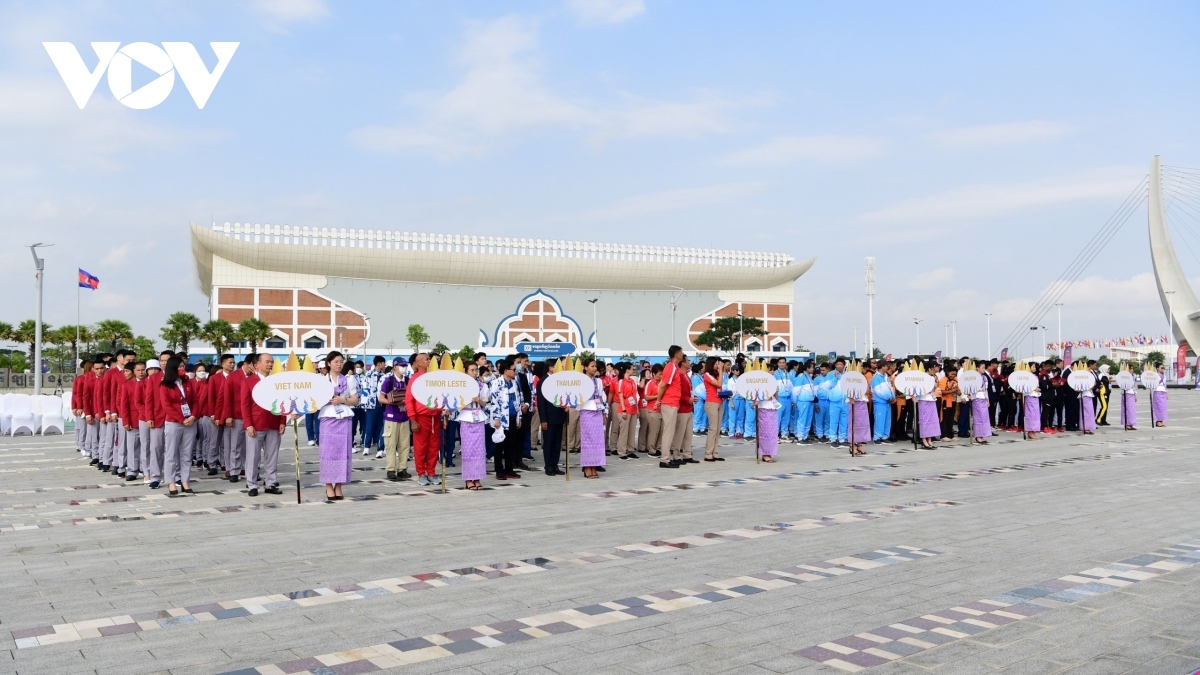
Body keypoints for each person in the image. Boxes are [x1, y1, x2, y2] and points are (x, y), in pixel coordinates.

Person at [240, 352, 286, 497]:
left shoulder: (276, 381)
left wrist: (282, 421)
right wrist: (248, 424)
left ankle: (270, 483)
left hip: (273, 423)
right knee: (253, 456)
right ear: (257, 364)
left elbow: (282, 402)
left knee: (272, 455)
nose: (270, 364)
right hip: (255, 424)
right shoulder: (248, 381)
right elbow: (245, 405)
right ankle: (252, 484)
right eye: (267, 362)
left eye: (271, 362)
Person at [318, 351, 360, 499]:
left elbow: (355, 400)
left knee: (343, 452)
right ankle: (328, 485)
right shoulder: (321, 380)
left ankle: (339, 485)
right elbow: (314, 401)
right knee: (328, 453)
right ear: (329, 363)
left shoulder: (349, 380)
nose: (339, 364)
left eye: (341, 361)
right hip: (328, 417)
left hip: (344, 417)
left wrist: (343, 400)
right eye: (336, 361)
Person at [156, 355, 196, 496]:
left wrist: (193, 416)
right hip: (174, 422)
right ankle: (171, 482)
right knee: (171, 453)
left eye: (183, 366)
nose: (182, 368)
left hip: (190, 421)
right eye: (179, 366)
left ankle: (185, 481)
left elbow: (195, 401)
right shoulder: (165, 385)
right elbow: (166, 406)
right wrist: (180, 419)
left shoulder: (188, 382)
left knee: (187, 454)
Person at [405, 353, 443, 486]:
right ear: (419, 363)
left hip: (436, 417)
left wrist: (444, 409)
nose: (429, 361)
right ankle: (421, 474)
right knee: (420, 448)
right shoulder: (415, 379)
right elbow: (409, 401)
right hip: (421, 418)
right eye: (427, 359)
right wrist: (413, 420)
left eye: (429, 359)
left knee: (434, 448)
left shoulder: (435, 378)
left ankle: (431, 473)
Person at [487, 358, 524, 480]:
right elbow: (494, 402)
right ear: (506, 370)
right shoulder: (496, 383)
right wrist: (496, 418)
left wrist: (519, 417)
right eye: (513, 369)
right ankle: (499, 470)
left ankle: (509, 469)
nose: (515, 371)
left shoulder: (514, 382)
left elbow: (518, 399)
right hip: (502, 420)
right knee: (500, 446)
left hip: (513, 418)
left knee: (510, 446)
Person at [455, 362, 490, 490]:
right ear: (466, 371)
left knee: (479, 450)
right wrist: (467, 400)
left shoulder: (482, 386)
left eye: (476, 370)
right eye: (472, 370)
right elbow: (456, 404)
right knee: (468, 450)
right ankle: (468, 479)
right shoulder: (460, 386)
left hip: (479, 418)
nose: (474, 373)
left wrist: (478, 400)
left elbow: (486, 403)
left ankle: (477, 477)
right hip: (466, 418)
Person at [378, 357, 412, 481]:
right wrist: (392, 402)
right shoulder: (388, 381)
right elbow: (381, 398)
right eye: (401, 365)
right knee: (391, 445)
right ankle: (391, 470)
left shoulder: (408, 381)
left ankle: (402, 469)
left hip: (404, 416)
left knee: (404, 444)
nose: (404, 367)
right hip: (391, 416)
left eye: (405, 365)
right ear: (395, 367)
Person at [222, 357, 252, 484]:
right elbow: (227, 397)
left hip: (251, 417)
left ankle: (249, 469)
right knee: (235, 445)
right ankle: (234, 470)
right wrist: (228, 415)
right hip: (237, 416)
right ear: (246, 364)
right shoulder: (233, 376)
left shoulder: (255, 377)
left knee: (250, 446)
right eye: (252, 364)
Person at [577, 358, 607, 479]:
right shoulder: (580, 381)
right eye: (592, 366)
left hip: (597, 412)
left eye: (595, 366)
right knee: (588, 441)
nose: (594, 368)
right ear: (585, 367)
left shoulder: (598, 381)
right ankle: (587, 467)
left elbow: (600, 396)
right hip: (586, 411)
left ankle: (594, 466)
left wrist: (604, 412)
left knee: (597, 441)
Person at [537, 358, 566, 476]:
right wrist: (543, 419)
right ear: (551, 368)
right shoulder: (543, 381)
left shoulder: (559, 380)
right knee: (549, 443)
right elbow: (541, 402)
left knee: (557, 443)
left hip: (559, 415)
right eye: (557, 366)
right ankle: (548, 466)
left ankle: (555, 465)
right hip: (548, 417)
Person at [657, 346, 684, 469]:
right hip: (669, 403)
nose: (683, 354)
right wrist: (658, 399)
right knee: (668, 432)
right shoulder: (671, 367)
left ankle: (667, 457)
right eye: (681, 352)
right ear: (677, 354)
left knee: (670, 431)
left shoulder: (675, 367)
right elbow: (662, 385)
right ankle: (664, 459)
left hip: (673, 403)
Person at [116, 361, 142, 479]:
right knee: (132, 447)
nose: (141, 373)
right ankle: (132, 470)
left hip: (149, 420)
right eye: (138, 370)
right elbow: (123, 405)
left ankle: (145, 469)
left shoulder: (149, 383)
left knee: (148, 447)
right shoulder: (127, 386)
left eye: (143, 370)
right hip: (133, 420)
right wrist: (125, 421)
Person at [360, 356, 387, 458]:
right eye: (383, 363)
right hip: (371, 405)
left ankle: (380, 448)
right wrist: (365, 405)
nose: (384, 365)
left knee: (381, 427)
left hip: (382, 405)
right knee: (369, 426)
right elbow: (365, 391)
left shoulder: (385, 376)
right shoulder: (368, 375)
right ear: (379, 364)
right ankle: (366, 447)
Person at [615, 363, 640, 460]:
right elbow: (620, 395)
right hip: (625, 409)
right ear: (627, 370)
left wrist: (637, 409)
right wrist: (623, 409)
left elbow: (635, 396)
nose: (633, 370)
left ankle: (630, 450)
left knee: (631, 431)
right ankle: (622, 452)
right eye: (631, 369)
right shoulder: (621, 381)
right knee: (624, 432)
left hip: (633, 409)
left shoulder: (632, 381)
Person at [702, 357, 724, 460]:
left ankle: (715, 453)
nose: (717, 366)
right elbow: (718, 384)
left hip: (719, 401)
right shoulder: (707, 375)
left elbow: (720, 386)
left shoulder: (716, 374)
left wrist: (720, 372)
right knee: (713, 428)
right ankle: (708, 453)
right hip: (711, 402)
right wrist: (720, 370)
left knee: (717, 429)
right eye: (716, 364)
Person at [871, 361, 895, 444]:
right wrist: (887, 398)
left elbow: (890, 388)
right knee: (879, 420)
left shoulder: (886, 377)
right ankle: (877, 437)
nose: (887, 368)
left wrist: (893, 397)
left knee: (887, 420)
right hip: (880, 402)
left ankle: (885, 436)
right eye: (886, 366)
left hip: (887, 402)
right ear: (882, 366)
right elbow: (878, 391)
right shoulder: (876, 377)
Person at [971, 362, 992, 444]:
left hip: (983, 397)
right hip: (977, 398)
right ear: (977, 368)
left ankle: (982, 435)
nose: (983, 369)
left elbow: (986, 389)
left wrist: (988, 400)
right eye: (982, 367)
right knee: (978, 417)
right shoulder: (974, 378)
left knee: (984, 417)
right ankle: (978, 435)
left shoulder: (984, 378)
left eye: (984, 368)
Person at [1151, 362, 1168, 427]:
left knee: (1163, 407)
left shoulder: (1164, 376)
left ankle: (1161, 420)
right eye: (1161, 368)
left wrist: (1166, 393)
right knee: (1158, 406)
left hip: (1163, 391)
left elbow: (1165, 385)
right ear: (1157, 368)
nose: (1163, 369)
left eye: (1163, 368)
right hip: (1157, 391)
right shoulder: (1155, 375)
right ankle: (1158, 421)